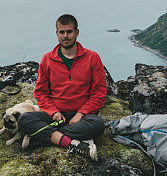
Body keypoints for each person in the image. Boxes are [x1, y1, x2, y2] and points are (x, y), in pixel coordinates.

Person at [18, 14, 106, 161]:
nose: (65, 36)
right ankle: (71, 143)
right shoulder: (48, 58)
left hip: (83, 117)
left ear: (76, 32)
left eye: (69, 32)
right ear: (57, 33)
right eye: (62, 32)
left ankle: (45, 136)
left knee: (98, 125)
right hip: (56, 116)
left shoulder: (92, 57)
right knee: (24, 119)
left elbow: (100, 93)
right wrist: (53, 112)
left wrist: (81, 114)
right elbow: (40, 93)